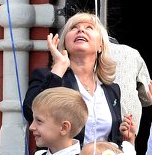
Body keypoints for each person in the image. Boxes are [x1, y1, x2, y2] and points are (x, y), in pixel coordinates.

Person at [24, 12, 125, 146]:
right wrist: (60, 67)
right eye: (73, 28)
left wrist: (126, 137)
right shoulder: (47, 77)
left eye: (89, 27)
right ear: (65, 42)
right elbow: (31, 113)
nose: (81, 30)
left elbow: (114, 138)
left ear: (100, 46)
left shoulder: (112, 89)